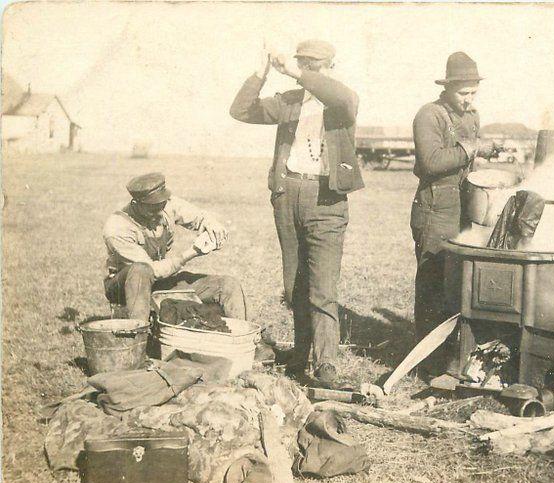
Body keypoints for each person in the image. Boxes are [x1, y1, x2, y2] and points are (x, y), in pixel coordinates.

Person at [229, 39, 362, 387]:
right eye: (302, 64)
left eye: (314, 66)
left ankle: (326, 365)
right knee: (294, 285)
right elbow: (241, 111)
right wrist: (260, 74)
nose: (305, 72)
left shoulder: (343, 101)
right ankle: (301, 355)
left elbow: (339, 97)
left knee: (322, 287)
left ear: (331, 68)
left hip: (326, 198)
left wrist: (296, 72)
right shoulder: (289, 102)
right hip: (288, 194)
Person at [410, 51, 499, 370]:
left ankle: (453, 353)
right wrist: (471, 149)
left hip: (465, 206)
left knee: (461, 282)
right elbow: (431, 162)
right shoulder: (429, 115)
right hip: (436, 206)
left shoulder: (472, 116)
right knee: (433, 281)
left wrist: (487, 159)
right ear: (448, 88)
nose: (469, 99)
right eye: (464, 93)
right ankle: (425, 359)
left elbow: (468, 162)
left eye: (474, 93)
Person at [103, 172, 246, 322]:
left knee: (227, 285)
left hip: (159, 282)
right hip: (124, 286)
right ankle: (138, 339)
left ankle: (244, 338)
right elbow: (152, 270)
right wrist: (192, 252)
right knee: (141, 270)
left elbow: (199, 216)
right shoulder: (117, 227)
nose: (159, 211)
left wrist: (213, 226)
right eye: (152, 208)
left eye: (161, 205)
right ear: (137, 203)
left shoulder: (166, 205)